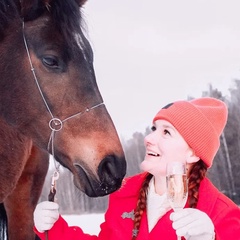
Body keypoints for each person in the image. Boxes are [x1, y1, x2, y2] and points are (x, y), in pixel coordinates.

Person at [33, 97, 240, 240]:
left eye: (166, 133)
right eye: (154, 129)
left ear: (193, 153)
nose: (149, 139)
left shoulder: (220, 212)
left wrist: (211, 238)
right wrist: (53, 228)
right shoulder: (125, 194)